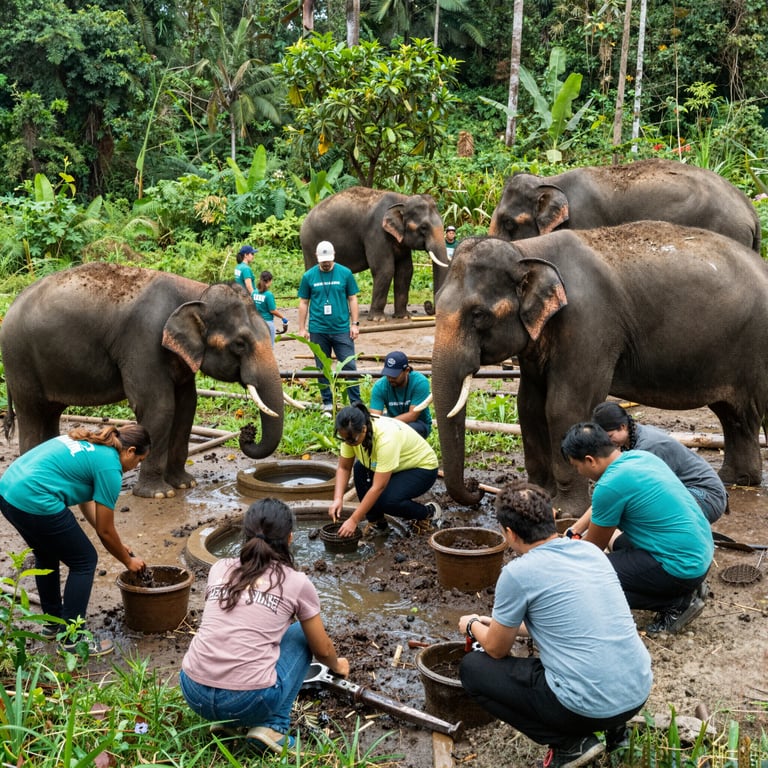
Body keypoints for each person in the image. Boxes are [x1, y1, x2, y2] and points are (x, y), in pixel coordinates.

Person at [458, 479, 652, 768]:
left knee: (472, 670)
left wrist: (473, 624)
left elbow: (497, 650)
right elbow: (566, 622)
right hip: (637, 691)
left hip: (585, 706)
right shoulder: (591, 552)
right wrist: (499, 624)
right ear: (552, 516)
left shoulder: (517, 573)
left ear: (509, 533)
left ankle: (570, 744)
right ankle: (616, 732)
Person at [180, 498, 349, 754]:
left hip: (194, 691)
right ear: (290, 538)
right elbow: (322, 650)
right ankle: (273, 727)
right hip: (248, 699)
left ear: (245, 535)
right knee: (301, 635)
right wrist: (338, 666)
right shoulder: (296, 581)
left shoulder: (219, 568)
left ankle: (226, 725)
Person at [0, 424, 151, 655]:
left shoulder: (95, 443)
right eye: (139, 460)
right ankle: (72, 639)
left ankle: (52, 623)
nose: (136, 467)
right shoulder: (110, 467)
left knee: (46, 553)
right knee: (85, 560)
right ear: (130, 451)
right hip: (34, 497)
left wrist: (119, 546)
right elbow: (105, 531)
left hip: (9, 491)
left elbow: (87, 502)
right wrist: (127, 561)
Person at [560, 422, 714, 635]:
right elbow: (602, 506)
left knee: (586, 576)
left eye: (576, 467)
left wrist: (562, 556)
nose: (579, 472)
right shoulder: (640, 458)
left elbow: (591, 551)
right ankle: (684, 587)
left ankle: (675, 602)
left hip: (683, 566)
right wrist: (576, 529)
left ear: (590, 460)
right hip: (701, 552)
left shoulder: (609, 486)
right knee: (614, 537)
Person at [591, 401, 727, 524]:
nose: (608, 443)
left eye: (609, 437)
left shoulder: (649, 446)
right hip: (690, 492)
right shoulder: (632, 435)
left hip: (706, 497)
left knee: (637, 507)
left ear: (623, 426)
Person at [329, 403, 440, 537]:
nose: (348, 443)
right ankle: (377, 522)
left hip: (422, 468)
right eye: (344, 439)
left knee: (387, 500)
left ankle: (427, 513)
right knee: (359, 469)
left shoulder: (386, 438)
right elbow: (344, 467)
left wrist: (354, 519)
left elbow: (378, 487)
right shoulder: (350, 433)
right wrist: (337, 498)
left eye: (351, 441)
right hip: (394, 466)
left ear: (364, 429)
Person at [298, 240, 361, 413]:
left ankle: (356, 403)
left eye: (328, 260)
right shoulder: (309, 276)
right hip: (318, 329)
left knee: (349, 366)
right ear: (317, 257)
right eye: (323, 260)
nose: (326, 263)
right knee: (322, 368)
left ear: (333, 256)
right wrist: (302, 328)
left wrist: (354, 324)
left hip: (341, 329)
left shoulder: (345, 273)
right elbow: (304, 302)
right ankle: (327, 402)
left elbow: (353, 298)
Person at [369, 350, 432, 438]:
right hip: (393, 423)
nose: (390, 378)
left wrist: (386, 425)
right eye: (387, 374)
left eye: (394, 375)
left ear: (406, 370)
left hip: (418, 424)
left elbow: (412, 415)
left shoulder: (420, 382)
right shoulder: (380, 386)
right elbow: (375, 417)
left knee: (406, 431)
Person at [253, 270, 288, 346]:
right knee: (269, 347)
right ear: (269, 281)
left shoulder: (254, 292)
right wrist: (283, 318)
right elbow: (272, 310)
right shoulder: (268, 295)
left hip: (255, 322)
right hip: (267, 323)